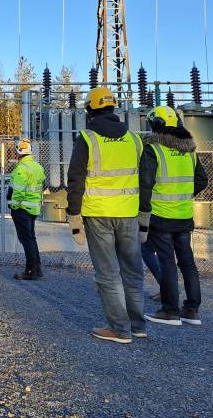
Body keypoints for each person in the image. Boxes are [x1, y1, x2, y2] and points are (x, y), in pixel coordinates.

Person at [66, 87, 146, 344]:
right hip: (129, 214)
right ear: (113, 108)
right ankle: (137, 325)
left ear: (90, 110)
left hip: (98, 214)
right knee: (132, 271)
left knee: (108, 273)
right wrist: (145, 213)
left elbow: (75, 178)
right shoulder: (134, 140)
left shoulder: (87, 139)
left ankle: (120, 329)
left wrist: (73, 214)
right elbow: (145, 180)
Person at [140, 106, 208, 326]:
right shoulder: (189, 152)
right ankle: (192, 310)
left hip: (160, 216)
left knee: (167, 263)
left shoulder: (154, 149)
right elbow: (202, 180)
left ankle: (170, 311)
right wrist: (183, 196)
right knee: (187, 263)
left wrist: (142, 212)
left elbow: (145, 183)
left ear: (156, 125)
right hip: (184, 215)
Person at [7, 138, 46, 280]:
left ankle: (31, 271)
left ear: (18, 152)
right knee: (31, 238)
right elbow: (42, 183)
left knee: (26, 239)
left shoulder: (21, 168)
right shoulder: (37, 167)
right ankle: (37, 269)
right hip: (33, 208)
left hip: (22, 208)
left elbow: (18, 191)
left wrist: (13, 205)